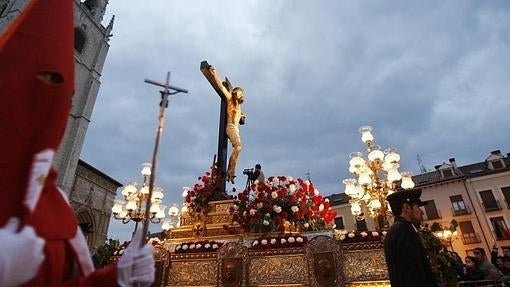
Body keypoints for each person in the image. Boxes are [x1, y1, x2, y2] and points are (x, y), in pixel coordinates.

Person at [0, 0, 155, 286]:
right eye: (40, 80)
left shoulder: (57, 205)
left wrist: (118, 277)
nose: (51, 102)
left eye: (66, 95)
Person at [384, 188, 438, 287]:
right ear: (407, 208)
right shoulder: (405, 230)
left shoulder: (393, 231)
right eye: (418, 208)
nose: (422, 213)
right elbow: (413, 273)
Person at [204, 64, 245, 183]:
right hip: (230, 126)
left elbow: (240, 117)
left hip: (236, 128)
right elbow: (221, 87)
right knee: (238, 147)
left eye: (240, 93)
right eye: (237, 92)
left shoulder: (239, 108)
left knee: (238, 148)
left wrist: (242, 117)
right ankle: (230, 171)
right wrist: (214, 74)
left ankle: (230, 171)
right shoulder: (230, 99)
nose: (238, 93)